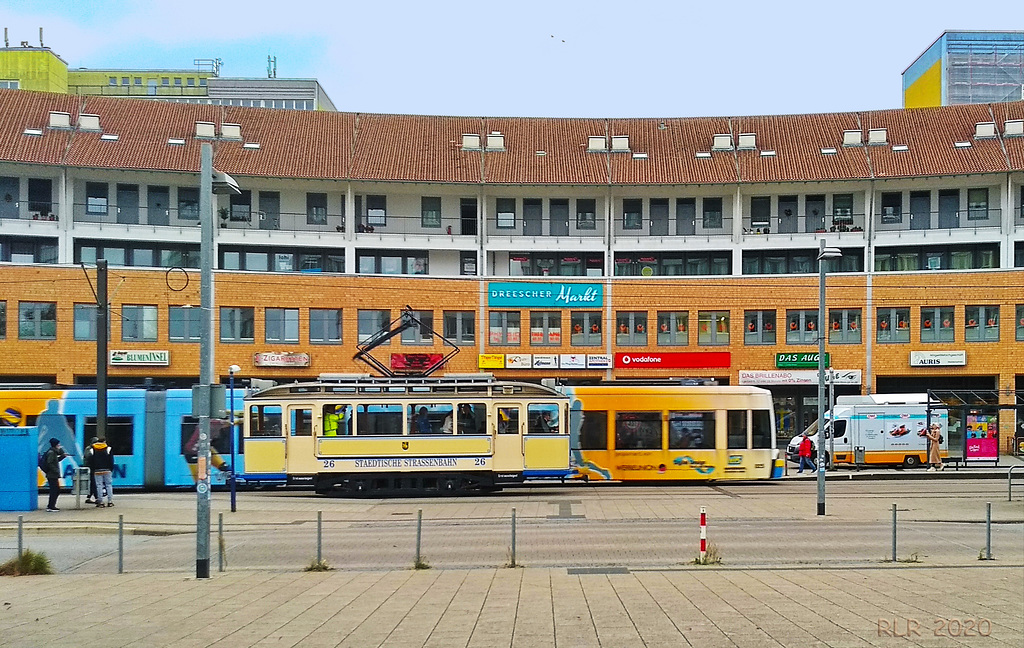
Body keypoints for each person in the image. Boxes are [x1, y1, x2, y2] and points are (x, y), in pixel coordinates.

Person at [88, 436, 115, 507]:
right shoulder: (108, 449)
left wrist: (93, 469)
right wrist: (111, 469)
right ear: (104, 441)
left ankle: (100, 502)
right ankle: (110, 501)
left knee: (99, 486)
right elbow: (111, 461)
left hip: (97, 470)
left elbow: (91, 461)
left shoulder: (92, 449)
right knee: (108, 485)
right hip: (107, 470)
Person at [42, 438, 68, 512]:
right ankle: (51, 506)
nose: (59, 446)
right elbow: (50, 463)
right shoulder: (51, 453)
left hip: (53, 475)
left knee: (56, 490)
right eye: (58, 444)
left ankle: (51, 505)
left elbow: (56, 461)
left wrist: (62, 456)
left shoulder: (53, 452)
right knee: (55, 490)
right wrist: (55, 470)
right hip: (51, 475)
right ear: (55, 445)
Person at [83, 435, 99, 504]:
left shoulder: (90, 448)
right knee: (93, 483)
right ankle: (96, 497)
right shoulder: (89, 449)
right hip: (90, 468)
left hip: (93, 468)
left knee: (93, 483)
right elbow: (88, 457)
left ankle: (89, 497)